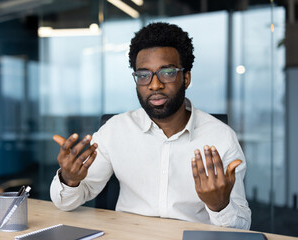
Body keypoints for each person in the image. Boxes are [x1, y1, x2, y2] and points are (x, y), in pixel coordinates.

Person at [50, 22, 251, 230]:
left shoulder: (221, 138)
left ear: (186, 77)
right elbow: (65, 202)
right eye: (144, 75)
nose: (155, 85)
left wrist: (220, 205)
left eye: (167, 72)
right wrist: (69, 179)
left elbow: (242, 227)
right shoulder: (115, 130)